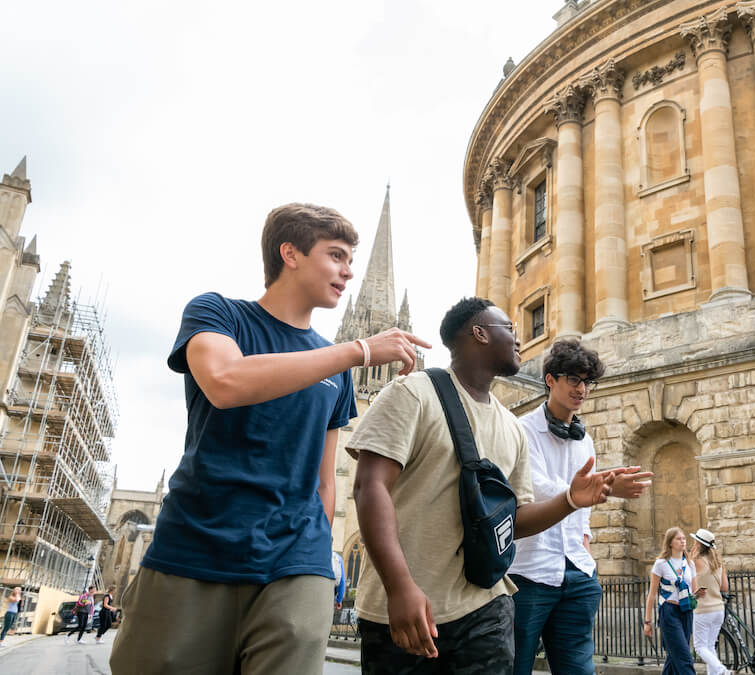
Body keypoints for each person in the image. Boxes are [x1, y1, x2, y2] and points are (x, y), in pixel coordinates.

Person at [110, 203, 430, 675]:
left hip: (295, 565)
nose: (347, 271)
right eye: (336, 255)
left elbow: (327, 483)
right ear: (291, 253)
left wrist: (320, 562)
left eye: (351, 261)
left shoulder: (336, 367)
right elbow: (225, 381)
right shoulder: (219, 313)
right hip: (195, 548)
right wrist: (357, 351)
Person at [348, 297, 619, 674]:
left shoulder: (511, 427)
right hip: (408, 611)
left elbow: (517, 518)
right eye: (508, 328)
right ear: (479, 332)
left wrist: (570, 500)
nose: (519, 339)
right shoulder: (411, 393)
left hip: (486, 610)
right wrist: (399, 587)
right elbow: (369, 487)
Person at [508, 339, 653, 675]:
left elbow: (583, 509)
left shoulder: (584, 440)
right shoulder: (522, 430)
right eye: (573, 379)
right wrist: (593, 488)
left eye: (588, 381)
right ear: (550, 380)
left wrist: (585, 547)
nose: (582, 389)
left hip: (578, 576)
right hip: (528, 575)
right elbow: (535, 489)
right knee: (514, 668)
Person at [644, 528, 696, 675]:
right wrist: (648, 622)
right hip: (669, 612)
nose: (683, 541)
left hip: (686, 611)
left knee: (674, 658)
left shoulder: (689, 564)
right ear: (670, 542)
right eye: (679, 539)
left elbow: (694, 591)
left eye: (684, 538)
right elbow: (652, 595)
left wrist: (699, 595)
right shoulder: (661, 563)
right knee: (685, 657)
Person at [689, 529, 730, 675]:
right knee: (710, 646)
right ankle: (717, 672)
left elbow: (683, 571)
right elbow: (724, 587)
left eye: (695, 542)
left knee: (700, 647)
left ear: (699, 544)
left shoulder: (695, 560)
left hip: (703, 610)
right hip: (719, 609)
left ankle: (722, 670)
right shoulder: (718, 563)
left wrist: (692, 552)